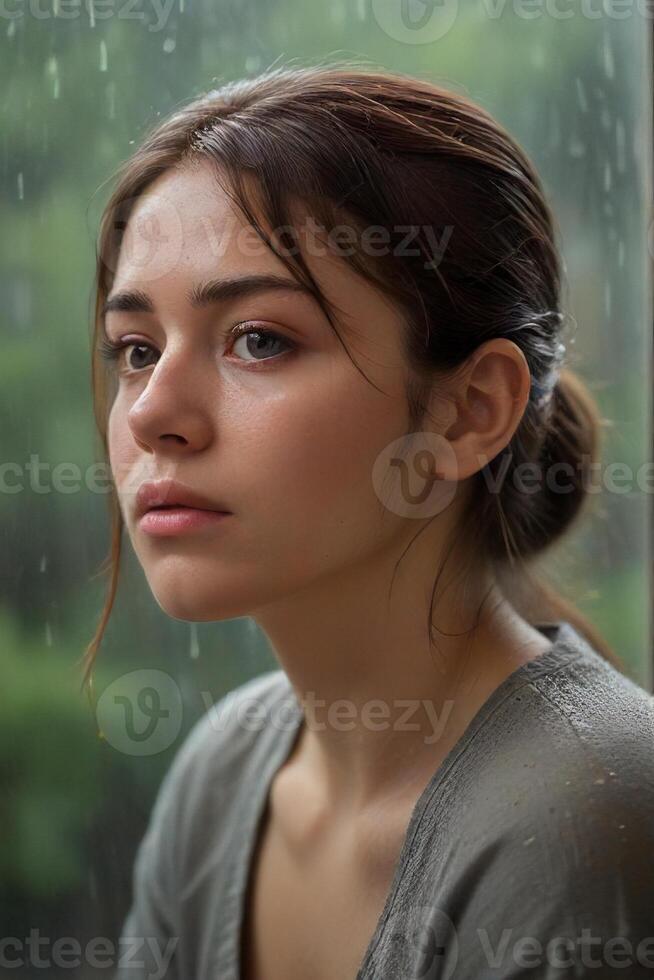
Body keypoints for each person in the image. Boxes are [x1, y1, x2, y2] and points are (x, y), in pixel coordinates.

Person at [83, 63, 654, 979]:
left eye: (260, 339)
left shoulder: (596, 817)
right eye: (137, 350)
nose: (151, 412)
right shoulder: (223, 774)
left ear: (469, 412)